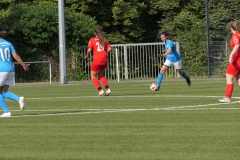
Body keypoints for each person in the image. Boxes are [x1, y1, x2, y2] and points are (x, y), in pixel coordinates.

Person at [0, 27, 29, 117]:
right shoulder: (8, 43)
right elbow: (15, 56)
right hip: (11, 70)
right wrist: (24, 65)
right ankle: (19, 99)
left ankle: (6, 112)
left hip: (1, 70)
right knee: (3, 92)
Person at [86, 28, 111, 96]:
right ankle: (107, 89)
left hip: (97, 59)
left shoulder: (92, 40)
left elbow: (89, 50)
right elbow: (109, 49)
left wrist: (87, 55)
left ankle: (100, 90)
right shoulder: (104, 40)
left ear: (95, 33)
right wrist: (105, 52)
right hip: (105, 59)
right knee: (100, 75)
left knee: (93, 76)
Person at [219, 21, 240, 103]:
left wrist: (231, 54)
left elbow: (237, 45)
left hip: (237, 60)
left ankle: (228, 98)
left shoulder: (235, 35)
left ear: (231, 28)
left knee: (229, 77)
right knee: (239, 79)